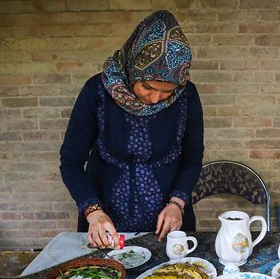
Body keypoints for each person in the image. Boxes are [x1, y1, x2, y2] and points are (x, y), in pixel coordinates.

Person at [60, 10, 204, 248]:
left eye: (167, 91)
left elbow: (192, 158)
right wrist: (92, 211)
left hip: (169, 225)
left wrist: (177, 203)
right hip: (107, 224)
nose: (156, 98)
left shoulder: (186, 95)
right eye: (148, 87)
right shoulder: (98, 91)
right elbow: (71, 161)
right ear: (133, 69)